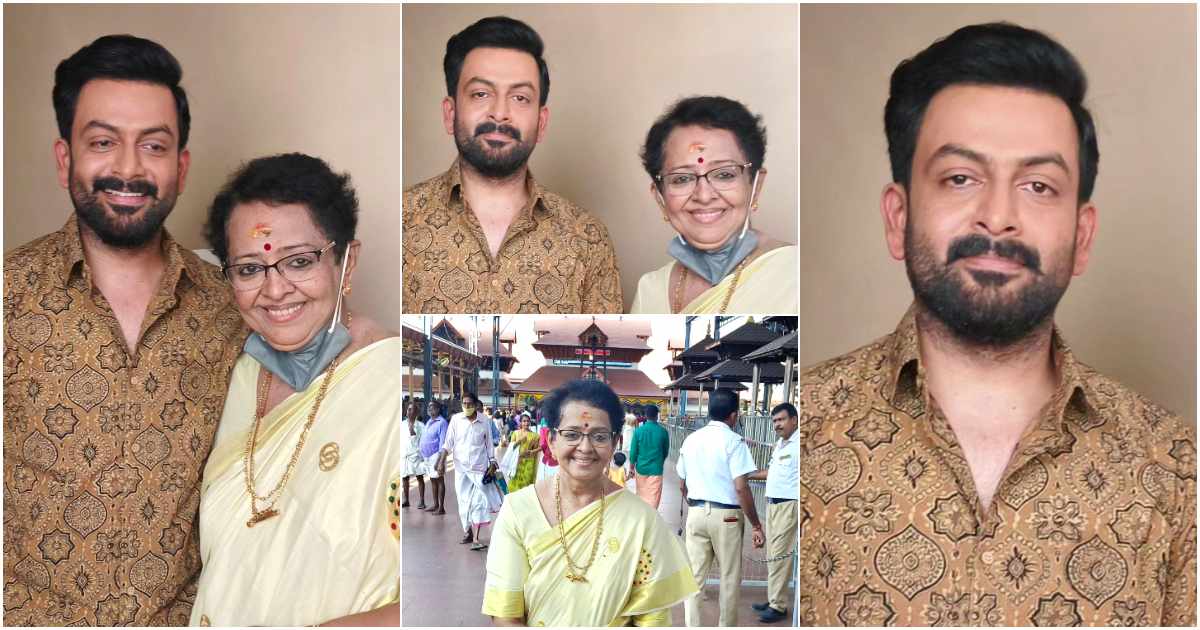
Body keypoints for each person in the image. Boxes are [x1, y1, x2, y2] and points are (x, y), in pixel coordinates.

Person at [799, 23, 1196, 626]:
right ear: (897, 216)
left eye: (1039, 186)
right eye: (961, 178)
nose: (998, 216)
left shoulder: (1176, 468)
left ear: (1081, 237)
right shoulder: (801, 433)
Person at [2, 35, 246, 626]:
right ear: (66, 158)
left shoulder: (234, 306)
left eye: (153, 145)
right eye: (103, 142)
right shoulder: (8, 294)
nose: (129, 169)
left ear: (181, 166)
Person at [188, 153, 400, 625]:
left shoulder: (391, 380)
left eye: (300, 262)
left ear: (348, 261)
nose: (276, 289)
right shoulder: (236, 374)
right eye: (248, 269)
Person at [403, 16, 622, 313]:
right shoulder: (403, 219)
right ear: (450, 113)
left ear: (541, 123)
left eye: (520, 98)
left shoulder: (587, 238)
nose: (499, 113)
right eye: (481, 94)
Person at [483, 380, 699, 625]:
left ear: (615, 442)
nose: (585, 447)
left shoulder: (642, 521)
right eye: (572, 434)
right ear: (552, 440)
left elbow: (652, 619)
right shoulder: (517, 511)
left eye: (599, 436)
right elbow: (505, 615)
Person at [631, 96, 797, 314]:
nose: (704, 195)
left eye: (724, 174)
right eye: (682, 178)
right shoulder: (650, 291)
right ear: (660, 198)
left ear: (755, 185)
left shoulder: (795, 275)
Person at [676, 388, 764, 627]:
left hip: (695, 513)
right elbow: (741, 487)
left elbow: (681, 483)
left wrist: (695, 505)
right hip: (727, 517)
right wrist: (756, 524)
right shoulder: (734, 441)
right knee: (729, 578)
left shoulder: (690, 439)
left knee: (694, 579)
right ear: (734, 416)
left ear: (709, 411)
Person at [747, 403, 798, 623]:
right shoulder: (781, 444)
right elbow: (772, 472)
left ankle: (778, 607)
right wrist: (747, 475)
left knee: (779, 555)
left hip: (789, 504)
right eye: (775, 421)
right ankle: (774, 598)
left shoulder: (799, 444)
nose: (777, 424)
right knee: (772, 555)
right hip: (773, 505)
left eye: (782, 420)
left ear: (794, 419)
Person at [438, 391, 503, 551]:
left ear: (475, 405)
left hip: (479, 468)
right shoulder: (456, 420)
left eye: (469, 404)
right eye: (464, 404)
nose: (466, 406)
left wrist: (493, 462)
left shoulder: (484, 421)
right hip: (461, 469)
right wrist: (441, 461)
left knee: (478, 502)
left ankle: (475, 537)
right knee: (464, 501)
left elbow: (489, 445)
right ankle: (467, 530)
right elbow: (448, 443)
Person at [629, 403, 671, 509]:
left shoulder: (638, 431)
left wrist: (631, 467)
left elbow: (633, 452)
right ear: (657, 416)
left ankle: (642, 518)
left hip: (641, 468)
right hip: (656, 469)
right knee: (653, 499)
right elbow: (665, 451)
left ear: (645, 416)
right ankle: (650, 520)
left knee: (641, 496)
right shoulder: (663, 432)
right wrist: (660, 461)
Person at [420, 400, 450, 514]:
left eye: (432, 407)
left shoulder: (442, 422)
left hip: (436, 456)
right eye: (429, 407)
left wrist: (439, 461)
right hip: (427, 456)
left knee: (440, 480)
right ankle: (435, 504)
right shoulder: (429, 421)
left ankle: (441, 507)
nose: (429, 409)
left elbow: (443, 443)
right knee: (433, 480)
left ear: (438, 409)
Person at [506, 412, 540, 493]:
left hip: (529, 462)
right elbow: (511, 448)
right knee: (514, 483)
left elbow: (538, 449)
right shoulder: (515, 433)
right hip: (517, 462)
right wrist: (519, 441)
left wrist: (532, 451)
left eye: (528, 421)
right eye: (524, 421)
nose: (526, 423)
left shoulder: (535, 435)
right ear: (520, 422)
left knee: (526, 483)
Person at [403, 402, 428, 509]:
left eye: (412, 409)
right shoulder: (402, 424)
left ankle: (422, 501)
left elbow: (423, 441)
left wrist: (413, 432)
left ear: (417, 412)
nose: (410, 411)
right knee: (405, 478)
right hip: (405, 454)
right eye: (408, 409)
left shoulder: (421, 426)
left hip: (417, 455)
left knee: (419, 477)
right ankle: (406, 500)